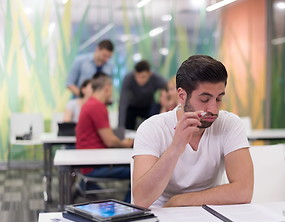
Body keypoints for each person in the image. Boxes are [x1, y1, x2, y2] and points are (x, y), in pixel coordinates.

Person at [132, 55, 254, 208]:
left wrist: (180, 201)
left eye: (218, 99)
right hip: (160, 217)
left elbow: (243, 191)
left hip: (209, 214)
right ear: (182, 96)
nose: (213, 109)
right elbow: (141, 200)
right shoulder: (152, 128)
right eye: (204, 99)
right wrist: (175, 148)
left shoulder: (229, 124)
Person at [76, 73, 134, 202]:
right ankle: (129, 207)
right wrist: (126, 144)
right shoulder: (97, 106)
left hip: (90, 161)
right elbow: (110, 141)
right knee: (138, 171)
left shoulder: (90, 104)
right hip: (95, 165)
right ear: (107, 88)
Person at [118, 60, 166, 130]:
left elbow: (168, 88)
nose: (139, 80)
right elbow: (123, 102)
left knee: (154, 116)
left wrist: (164, 102)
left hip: (149, 106)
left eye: (143, 77)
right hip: (132, 106)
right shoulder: (128, 78)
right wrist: (120, 127)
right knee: (127, 118)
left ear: (150, 74)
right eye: (137, 77)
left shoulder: (156, 79)